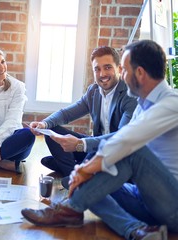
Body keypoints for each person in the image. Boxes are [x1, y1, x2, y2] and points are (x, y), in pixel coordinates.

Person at [21, 40, 178, 240]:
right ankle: (136, 230)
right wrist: (84, 174)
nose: (122, 74)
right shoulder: (141, 103)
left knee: (130, 152)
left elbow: (126, 139)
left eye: (124, 69)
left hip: (173, 209)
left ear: (139, 73)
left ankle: (69, 208)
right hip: (147, 202)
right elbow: (70, 114)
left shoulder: (171, 103)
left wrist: (85, 169)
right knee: (83, 184)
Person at [29, 46, 137, 177]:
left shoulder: (130, 94)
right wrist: (44, 124)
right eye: (97, 69)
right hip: (96, 147)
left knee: (64, 157)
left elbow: (121, 137)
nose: (102, 74)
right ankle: (74, 173)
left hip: (118, 154)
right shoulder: (94, 91)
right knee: (52, 132)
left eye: (107, 67)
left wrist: (81, 144)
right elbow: (66, 114)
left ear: (119, 68)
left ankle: (74, 169)